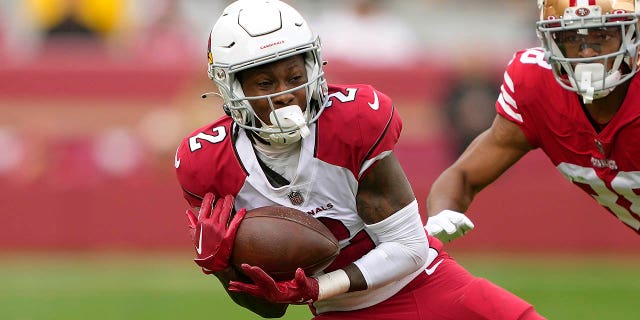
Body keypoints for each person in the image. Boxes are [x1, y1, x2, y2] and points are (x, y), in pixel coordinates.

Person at [175, 1, 545, 319]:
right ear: (231, 86)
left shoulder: (353, 122)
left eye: (294, 76)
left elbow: (409, 248)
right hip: (342, 312)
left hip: (429, 284)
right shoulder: (206, 162)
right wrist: (222, 267)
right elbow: (270, 309)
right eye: (266, 84)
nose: (286, 94)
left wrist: (318, 288)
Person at [426, 0, 640, 244]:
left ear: (632, 37)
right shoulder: (537, 86)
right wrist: (440, 218)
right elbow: (462, 176)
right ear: (552, 41)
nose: (587, 52)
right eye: (571, 37)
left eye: (602, 36)